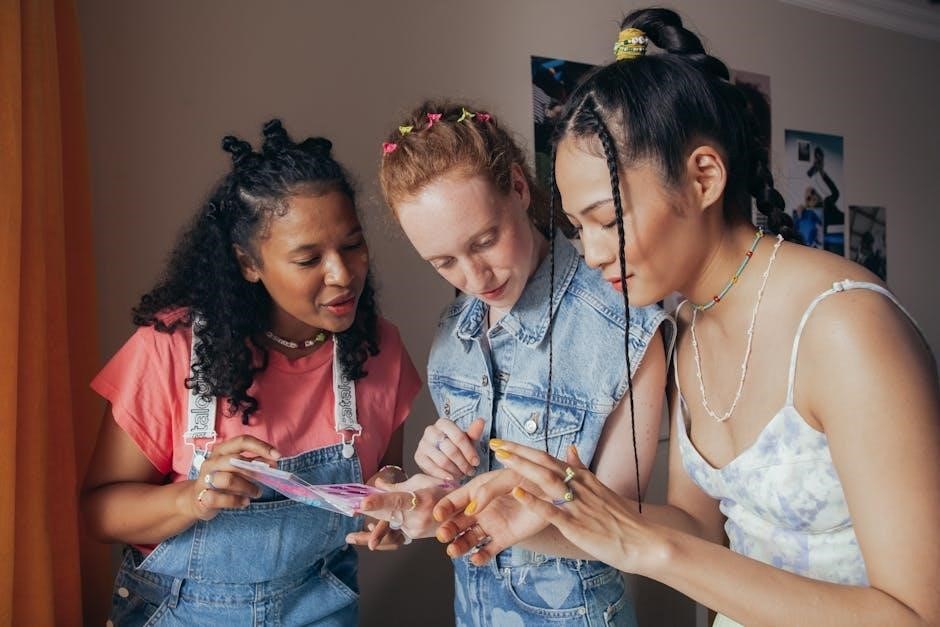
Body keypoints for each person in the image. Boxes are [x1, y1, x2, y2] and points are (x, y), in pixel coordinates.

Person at [433, 9, 940, 626]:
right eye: (577, 228)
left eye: (607, 221)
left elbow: (917, 614)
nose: (591, 253)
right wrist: (549, 517)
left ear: (703, 177)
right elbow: (696, 528)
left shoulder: (845, 326)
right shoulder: (689, 327)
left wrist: (650, 546)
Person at [81, 120, 421, 625]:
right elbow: (99, 512)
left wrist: (393, 505)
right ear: (248, 263)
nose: (342, 274)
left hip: (320, 610)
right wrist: (192, 498)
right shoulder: (171, 349)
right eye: (308, 258)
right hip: (180, 611)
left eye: (352, 245)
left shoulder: (378, 349)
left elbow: (385, 480)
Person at [362, 101, 671, 626]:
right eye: (444, 262)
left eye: (485, 241)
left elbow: (623, 531)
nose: (475, 278)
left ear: (519, 188)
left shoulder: (624, 324)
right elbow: (462, 494)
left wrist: (511, 514)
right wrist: (429, 492)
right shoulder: (452, 332)